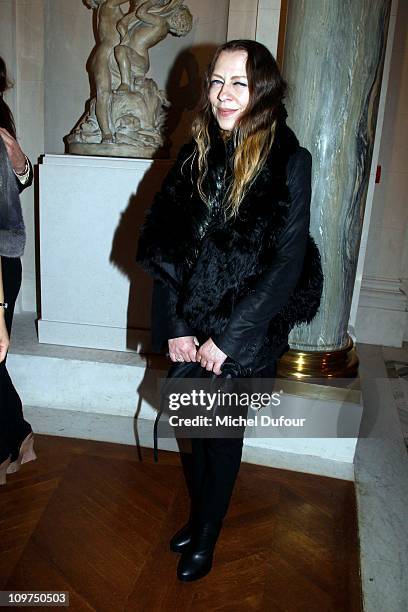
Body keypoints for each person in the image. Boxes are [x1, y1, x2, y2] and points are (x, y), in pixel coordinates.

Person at [136, 40, 323, 581]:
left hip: (248, 329)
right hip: (192, 324)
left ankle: (208, 536)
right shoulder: (195, 150)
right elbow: (166, 247)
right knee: (193, 423)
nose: (223, 94)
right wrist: (175, 326)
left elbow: (286, 264)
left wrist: (228, 339)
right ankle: (199, 519)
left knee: (221, 437)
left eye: (238, 83)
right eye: (216, 81)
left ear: (262, 89)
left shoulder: (291, 159)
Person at [0, 57, 36, 485]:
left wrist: (16, 156)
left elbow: (21, 180)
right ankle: (20, 434)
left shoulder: (0, 119)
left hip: (2, 256)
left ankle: (13, 439)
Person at [114, 0, 192, 92]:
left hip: (140, 59)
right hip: (138, 57)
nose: (177, 19)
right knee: (119, 50)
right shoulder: (162, 26)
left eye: (180, 20)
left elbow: (141, 13)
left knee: (120, 50)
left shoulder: (161, 23)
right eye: (180, 17)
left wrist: (152, 2)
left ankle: (125, 84)